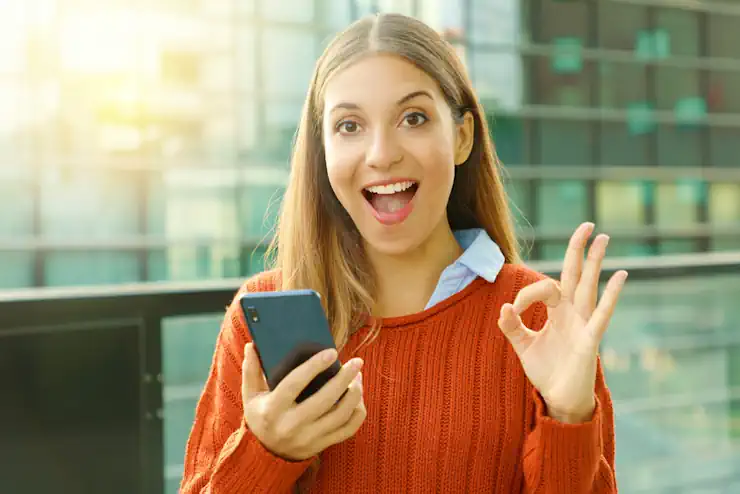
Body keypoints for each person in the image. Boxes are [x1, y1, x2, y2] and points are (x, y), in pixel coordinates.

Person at [180, 12, 626, 494]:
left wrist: (569, 418)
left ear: (462, 136)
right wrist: (265, 455)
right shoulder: (260, 322)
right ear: (323, 150)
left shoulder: (538, 316)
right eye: (349, 125)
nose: (381, 153)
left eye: (413, 118)